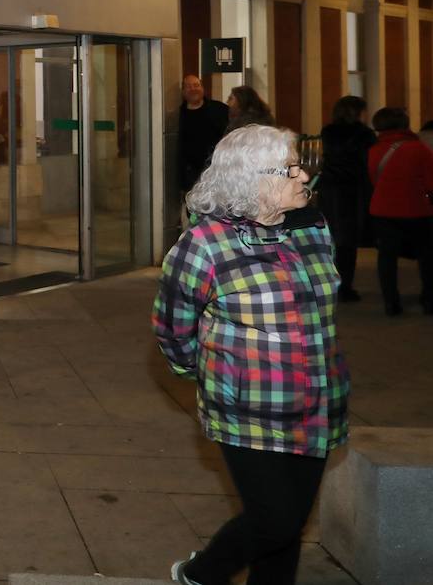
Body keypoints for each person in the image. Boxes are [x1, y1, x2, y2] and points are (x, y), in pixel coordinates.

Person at [154, 125, 348, 585]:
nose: (305, 176)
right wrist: (202, 372)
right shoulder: (204, 243)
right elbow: (172, 325)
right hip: (247, 408)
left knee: (287, 529)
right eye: (292, 168)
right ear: (253, 178)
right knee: (274, 520)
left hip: (318, 400)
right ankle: (202, 574)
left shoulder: (313, 226)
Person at [366, 107, 433, 316]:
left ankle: (391, 303)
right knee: (427, 258)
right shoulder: (419, 149)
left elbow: (373, 178)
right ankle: (429, 301)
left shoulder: (374, 149)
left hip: (383, 209)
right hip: (417, 209)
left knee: (387, 258)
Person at [317, 96, 374, 301]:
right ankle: (345, 286)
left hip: (330, 189)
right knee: (348, 242)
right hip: (352, 190)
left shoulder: (328, 131)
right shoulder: (365, 134)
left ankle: (329, 283)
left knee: (331, 238)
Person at [178, 75, 228, 194]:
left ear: (202, 88)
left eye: (196, 85)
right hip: (191, 176)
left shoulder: (219, 109)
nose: (193, 89)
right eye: (188, 86)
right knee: (193, 209)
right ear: (183, 92)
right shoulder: (177, 115)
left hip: (217, 171)